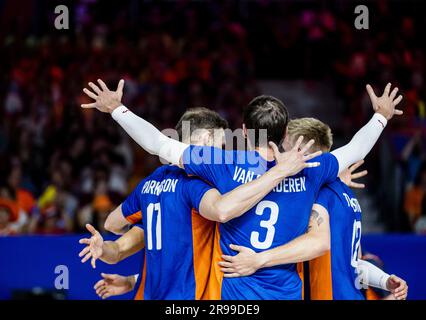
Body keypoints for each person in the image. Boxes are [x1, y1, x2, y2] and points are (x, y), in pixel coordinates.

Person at [81, 79, 402, 299]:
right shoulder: (312, 170)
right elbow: (356, 150)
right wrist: (381, 117)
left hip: (235, 293)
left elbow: (159, 144)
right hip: (287, 291)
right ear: (285, 129)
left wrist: (117, 109)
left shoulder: (221, 163)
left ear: (245, 131)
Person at [79, 106, 321, 300]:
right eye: (221, 144)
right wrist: (281, 173)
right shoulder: (198, 186)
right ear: (206, 139)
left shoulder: (151, 183)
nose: (222, 151)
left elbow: (113, 225)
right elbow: (223, 211)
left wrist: (132, 277)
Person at [219, 117, 408, 300]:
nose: (277, 153)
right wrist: (383, 280)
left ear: (300, 150)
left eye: (284, 146)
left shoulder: (314, 192)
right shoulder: (346, 195)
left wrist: (258, 260)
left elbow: (319, 243)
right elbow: (352, 263)